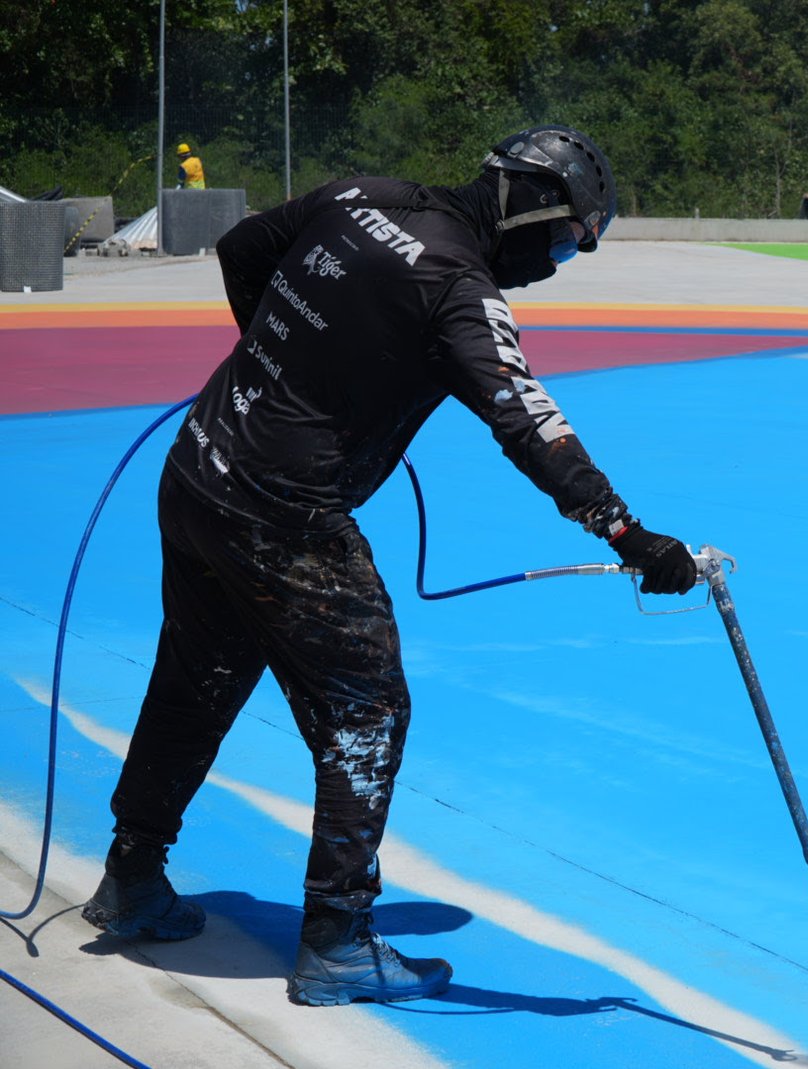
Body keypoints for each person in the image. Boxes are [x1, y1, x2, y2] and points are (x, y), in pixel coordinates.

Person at [81, 124, 699, 1007]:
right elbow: (528, 422)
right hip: (283, 516)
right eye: (566, 241)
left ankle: (131, 877)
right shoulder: (457, 285)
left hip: (199, 468)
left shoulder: (362, 195)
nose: (558, 264)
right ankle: (338, 940)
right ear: (528, 203)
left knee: (197, 676)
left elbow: (240, 247)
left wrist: (285, 370)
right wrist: (631, 536)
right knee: (367, 709)